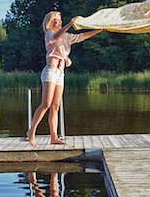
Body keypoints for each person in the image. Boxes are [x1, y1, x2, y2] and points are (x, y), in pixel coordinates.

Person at [26, 11, 102, 146]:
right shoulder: (49, 33)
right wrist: (69, 24)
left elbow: (82, 36)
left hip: (60, 74)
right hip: (50, 72)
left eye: (60, 20)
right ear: (50, 21)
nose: (58, 21)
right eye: (56, 19)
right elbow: (56, 36)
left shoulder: (67, 36)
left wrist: (98, 30)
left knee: (55, 106)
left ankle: (54, 137)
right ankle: (31, 132)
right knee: (46, 104)